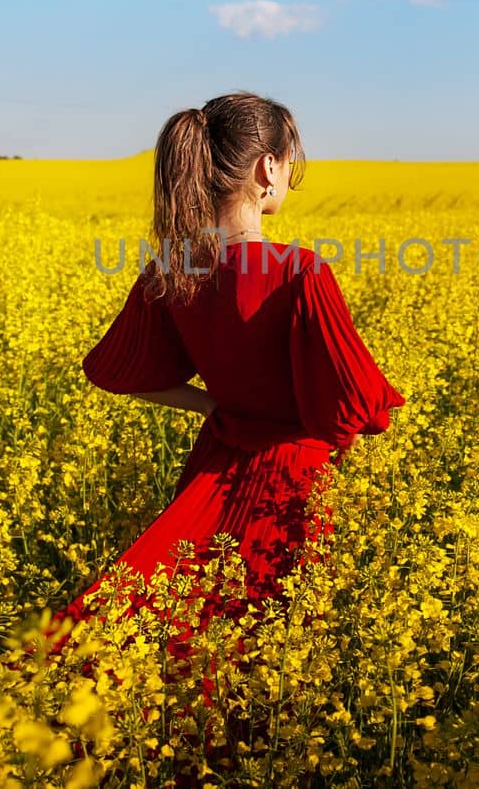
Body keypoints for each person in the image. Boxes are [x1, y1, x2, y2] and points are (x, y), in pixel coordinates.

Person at [41, 90, 406, 651]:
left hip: (213, 471)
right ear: (267, 168)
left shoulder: (172, 269)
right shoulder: (298, 271)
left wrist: (211, 405)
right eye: (290, 164)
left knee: (172, 633)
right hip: (287, 487)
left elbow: (121, 372)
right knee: (271, 658)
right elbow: (356, 410)